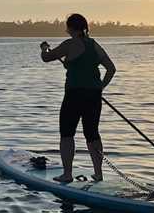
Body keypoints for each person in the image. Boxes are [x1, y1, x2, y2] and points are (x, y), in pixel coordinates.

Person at [40, 13, 116, 183]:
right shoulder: (94, 45)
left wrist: (44, 48)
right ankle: (98, 174)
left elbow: (46, 58)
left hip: (74, 95)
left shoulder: (69, 44)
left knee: (67, 134)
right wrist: (100, 87)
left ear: (70, 28)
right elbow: (111, 69)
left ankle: (67, 175)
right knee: (92, 134)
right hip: (93, 96)